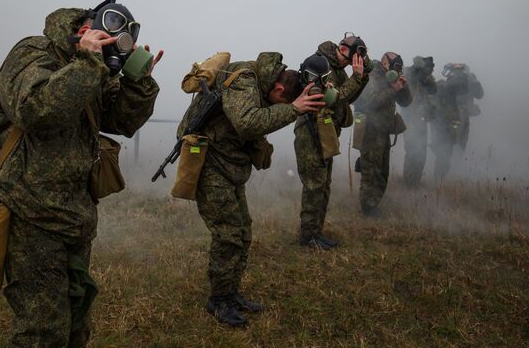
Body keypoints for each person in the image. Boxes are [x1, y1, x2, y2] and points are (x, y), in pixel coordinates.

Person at [0, 0, 162, 347]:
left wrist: (138, 83)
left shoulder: (89, 69)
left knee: (77, 316)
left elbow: (122, 121)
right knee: (42, 329)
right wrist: (88, 63)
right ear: (84, 30)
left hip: (74, 215)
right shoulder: (35, 52)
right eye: (108, 40)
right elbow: (33, 110)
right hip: (29, 212)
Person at [177, 52, 323, 326]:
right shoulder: (246, 79)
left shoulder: (264, 84)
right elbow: (247, 122)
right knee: (229, 234)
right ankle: (218, 300)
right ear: (278, 88)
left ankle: (230, 293)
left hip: (230, 164)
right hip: (210, 163)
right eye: (282, 100)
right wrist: (293, 109)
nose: (278, 105)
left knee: (243, 232)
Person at [294, 33, 371, 249]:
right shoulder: (321, 63)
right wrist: (356, 77)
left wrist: (361, 77)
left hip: (326, 132)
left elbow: (349, 97)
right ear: (345, 50)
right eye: (355, 55)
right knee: (314, 186)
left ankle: (315, 232)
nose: (355, 60)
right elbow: (333, 98)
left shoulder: (338, 69)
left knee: (324, 186)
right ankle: (308, 237)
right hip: (311, 132)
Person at [353, 53, 412, 217]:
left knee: (382, 171)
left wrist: (403, 87)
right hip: (370, 130)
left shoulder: (390, 79)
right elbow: (371, 103)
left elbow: (406, 103)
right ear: (385, 63)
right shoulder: (372, 76)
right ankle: (367, 208)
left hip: (383, 130)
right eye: (395, 65)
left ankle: (374, 202)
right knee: (371, 171)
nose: (396, 69)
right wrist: (392, 89)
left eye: (399, 67)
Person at [400, 56, 437, 187]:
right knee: (412, 151)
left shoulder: (426, 80)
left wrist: (427, 79)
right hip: (410, 120)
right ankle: (408, 183)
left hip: (421, 120)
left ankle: (415, 182)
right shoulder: (409, 74)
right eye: (427, 70)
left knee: (421, 153)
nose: (429, 72)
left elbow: (434, 90)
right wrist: (416, 71)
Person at [431, 63, 470, 181]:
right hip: (444, 124)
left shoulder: (449, 85)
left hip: (446, 123)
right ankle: (439, 180)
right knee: (444, 152)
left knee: (449, 151)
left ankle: (441, 178)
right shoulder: (445, 86)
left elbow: (464, 87)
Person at [456, 71, 484, 151]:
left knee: (463, 137)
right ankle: (455, 155)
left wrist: (475, 82)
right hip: (456, 114)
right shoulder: (453, 83)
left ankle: (459, 156)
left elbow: (480, 95)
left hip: (465, 115)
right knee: (457, 136)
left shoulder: (470, 85)